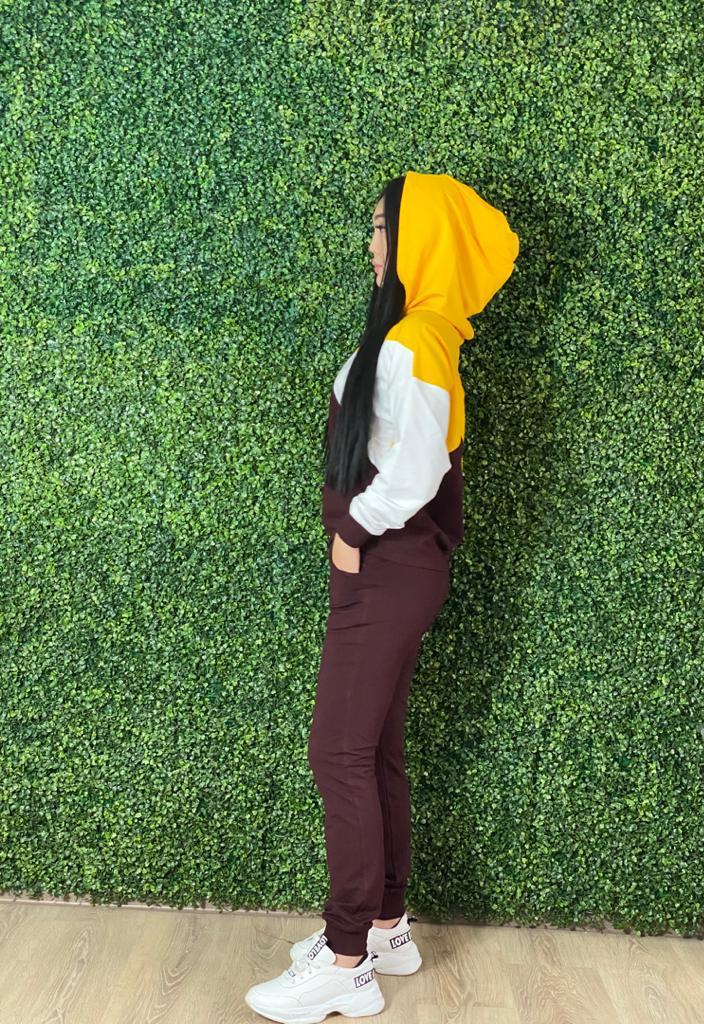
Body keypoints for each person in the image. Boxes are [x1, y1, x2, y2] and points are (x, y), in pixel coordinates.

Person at [245, 170, 520, 1022]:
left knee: (336, 753)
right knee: (372, 752)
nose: (371, 244)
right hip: (394, 570)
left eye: (381, 228)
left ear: (418, 240)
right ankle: (386, 926)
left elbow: (418, 468)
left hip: (386, 566)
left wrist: (354, 531)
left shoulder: (415, 340)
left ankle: (345, 961)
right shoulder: (413, 334)